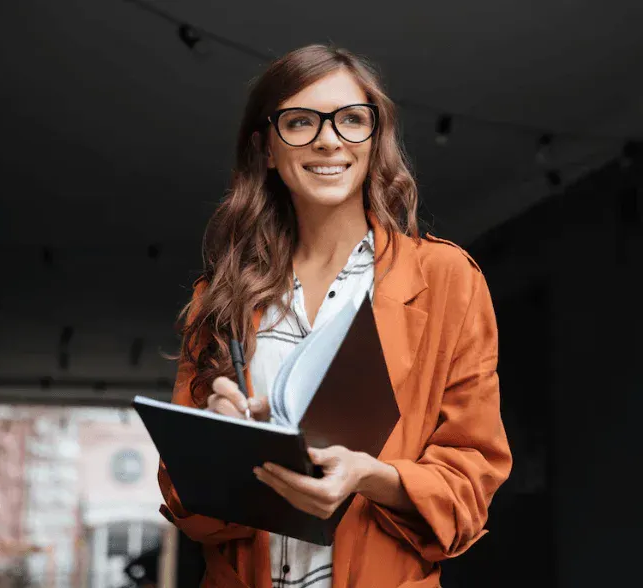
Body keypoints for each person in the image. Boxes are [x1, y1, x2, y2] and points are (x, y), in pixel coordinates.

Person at [158, 44, 513, 588]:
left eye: (351, 120)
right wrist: (222, 451)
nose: (328, 139)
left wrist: (372, 477)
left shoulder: (447, 280)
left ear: (374, 141)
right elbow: (186, 505)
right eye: (300, 122)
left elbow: (471, 485)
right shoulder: (222, 298)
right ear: (266, 149)